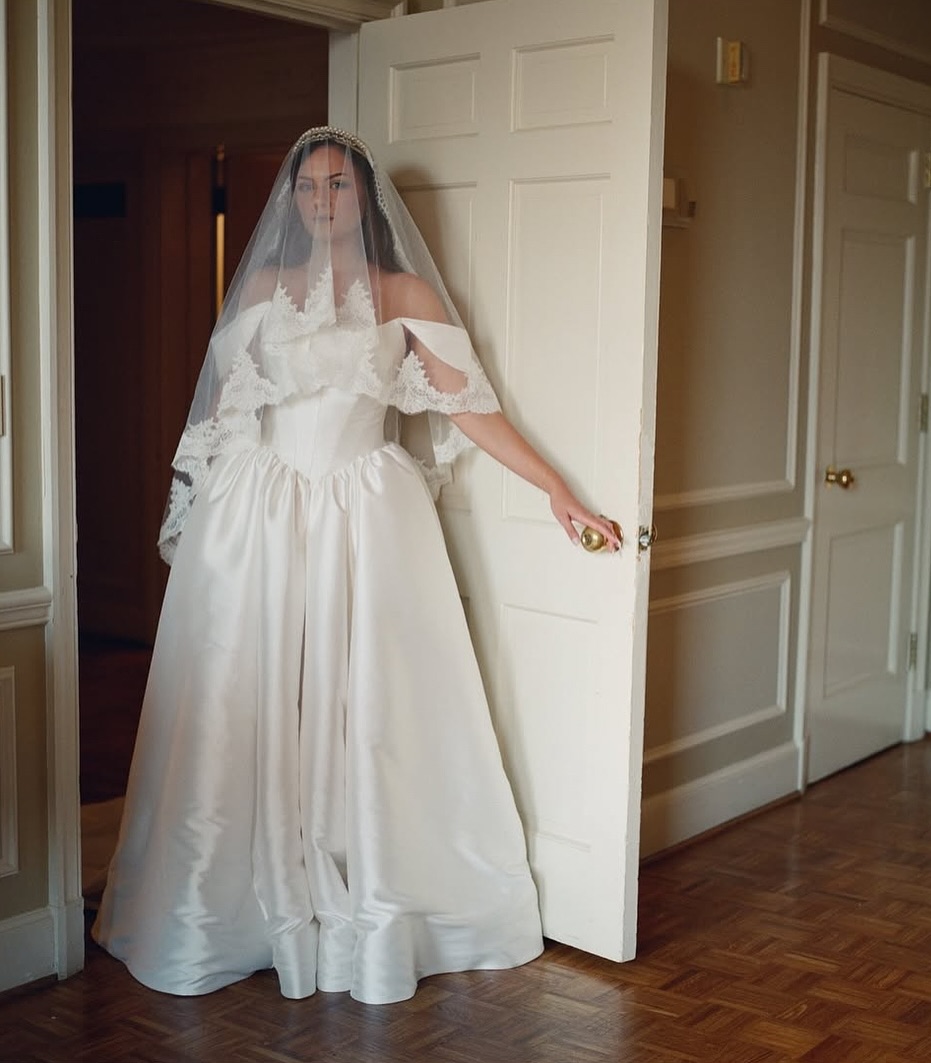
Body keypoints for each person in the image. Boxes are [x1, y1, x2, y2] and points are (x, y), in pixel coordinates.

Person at [92, 126, 619, 1005]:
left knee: (367, 698)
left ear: (365, 198)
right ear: (292, 199)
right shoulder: (261, 285)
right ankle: (236, 899)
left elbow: (472, 407)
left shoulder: (402, 290)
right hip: (260, 513)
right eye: (309, 186)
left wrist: (556, 487)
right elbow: (220, 411)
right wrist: (209, 517)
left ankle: (367, 879)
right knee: (249, 695)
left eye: (339, 185)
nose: (323, 200)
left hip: (365, 508)